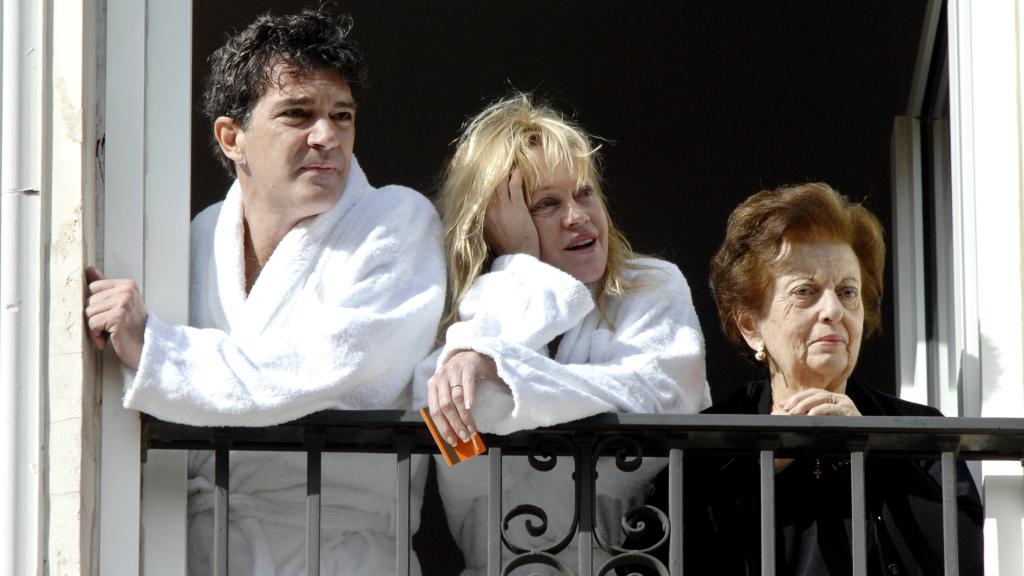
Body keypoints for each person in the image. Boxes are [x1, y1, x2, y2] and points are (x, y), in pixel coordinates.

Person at [84, 9, 444, 575]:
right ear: (233, 138)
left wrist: (158, 351)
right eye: (298, 114)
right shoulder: (196, 240)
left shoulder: (395, 223)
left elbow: (330, 365)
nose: (326, 136)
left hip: (344, 554)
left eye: (342, 117)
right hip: (202, 552)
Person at [414, 94, 710, 575]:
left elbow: (659, 400)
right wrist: (521, 267)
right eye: (546, 203)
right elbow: (463, 422)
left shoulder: (651, 285)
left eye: (585, 193)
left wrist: (502, 369)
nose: (577, 215)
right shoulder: (459, 321)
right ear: (494, 227)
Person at [683, 182, 983, 575]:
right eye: (805, 291)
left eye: (847, 292)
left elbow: (961, 562)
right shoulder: (709, 441)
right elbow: (668, 554)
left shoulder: (919, 435)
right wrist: (760, 468)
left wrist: (869, 450)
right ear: (750, 326)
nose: (833, 311)